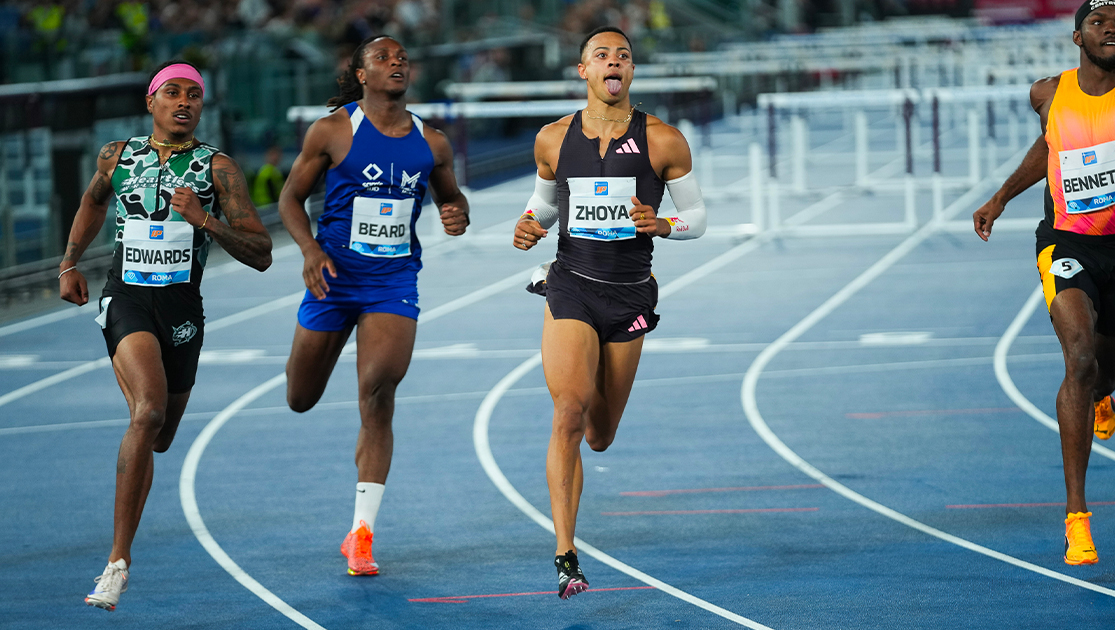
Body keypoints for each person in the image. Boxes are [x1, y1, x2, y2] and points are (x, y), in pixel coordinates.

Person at [972, 0, 1115, 566]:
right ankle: (1077, 517)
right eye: (1100, 23)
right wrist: (1000, 198)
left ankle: (1102, 395)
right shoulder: (1048, 93)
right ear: (1078, 37)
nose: (1113, 29)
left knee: (1105, 369)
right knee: (1078, 357)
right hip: (1063, 243)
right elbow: (1049, 147)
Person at [59, 60, 273, 610]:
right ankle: (117, 563)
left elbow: (261, 254)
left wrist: (204, 220)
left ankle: (140, 459)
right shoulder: (117, 155)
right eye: (172, 92)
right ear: (150, 102)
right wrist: (69, 264)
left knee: (161, 435)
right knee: (147, 411)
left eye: (194, 95)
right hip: (126, 297)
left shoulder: (217, 168)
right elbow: (92, 202)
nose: (184, 102)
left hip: (182, 308)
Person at [513, 26, 707, 599]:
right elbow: (544, 207)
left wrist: (664, 224)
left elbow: (697, 217)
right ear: (584, 71)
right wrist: (528, 228)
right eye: (602, 55)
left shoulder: (664, 140)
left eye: (623, 55)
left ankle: (571, 529)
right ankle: (565, 555)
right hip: (570, 284)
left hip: (629, 294)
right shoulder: (553, 139)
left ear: (630, 72)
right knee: (568, 413)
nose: (614, 62)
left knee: (599, 435)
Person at [277, 35, 469, 577]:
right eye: (383, 58)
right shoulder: (334, 130)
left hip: (392, 280)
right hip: (332, 278)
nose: (397, 63)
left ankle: (361, 533)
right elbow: (290, 198)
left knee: (378, 391)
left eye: (403, 57)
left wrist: (456, 213)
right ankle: (311, 358)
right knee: (300, 397)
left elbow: (451, 198)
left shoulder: (432, 142)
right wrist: (311, 249)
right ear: (361, 74)